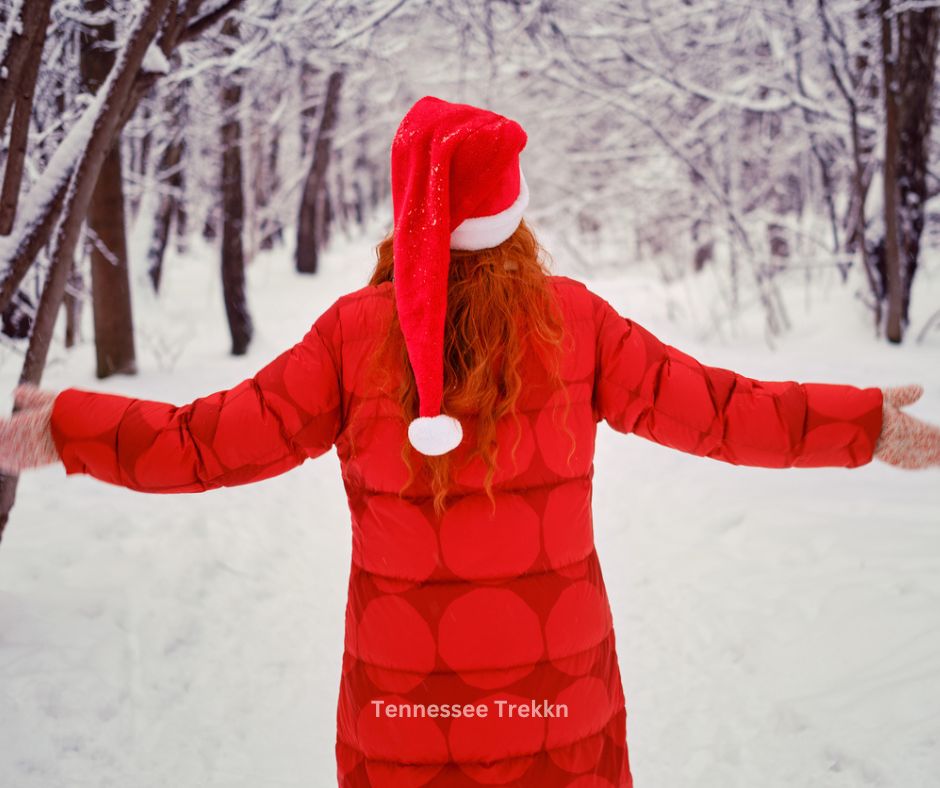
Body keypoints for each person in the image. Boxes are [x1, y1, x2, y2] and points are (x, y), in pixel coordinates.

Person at [1, 96, 938, 788]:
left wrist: (72, 430)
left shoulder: (350, 338)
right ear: (512, 214)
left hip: (408, 714)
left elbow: (202, 442)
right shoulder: (574, 323)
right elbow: (725, 409)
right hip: (559, 700)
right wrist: (862, 424)